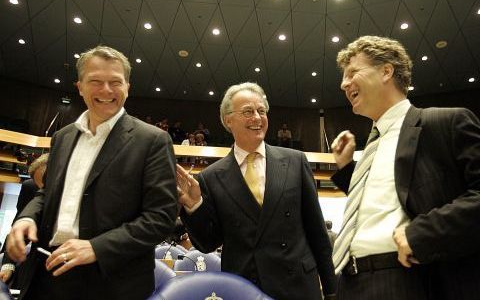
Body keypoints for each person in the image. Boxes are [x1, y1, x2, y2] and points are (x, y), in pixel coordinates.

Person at [330, 35, 480, 299]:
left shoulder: (445, 123)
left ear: (386, 71)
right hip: (351, 284)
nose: (343, 84)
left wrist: (425, 233)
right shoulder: (370, 146)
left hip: (412, 280)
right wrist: (345, 169)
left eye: (353, 72)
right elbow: (392, 199)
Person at [6, 46, 178, 300]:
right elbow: (47, 193)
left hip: (112, 282)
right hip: (47, 274)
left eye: (115, 82)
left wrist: (96, 247)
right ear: (80, 87)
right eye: (95, 81)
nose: (106, 90)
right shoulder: (62, 137)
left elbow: (161, 217)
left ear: (127, 87)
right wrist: (26, 218)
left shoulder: (153, 140)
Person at [176, 82, 336, 300]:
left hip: (297, 286)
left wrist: (331, 290)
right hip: (244, 287)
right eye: (248, 112)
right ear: (228, 120)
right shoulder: (211, 176)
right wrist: (195, 206)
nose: (257, 118)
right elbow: (208, 243)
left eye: (261, 111)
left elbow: (317, 232)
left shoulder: (295, 161)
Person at [0, 154, 49, 285]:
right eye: (40, 187)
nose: (43, 192)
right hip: (33, 256)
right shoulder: (30, 187)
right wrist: (8, 264)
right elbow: (17, 227)